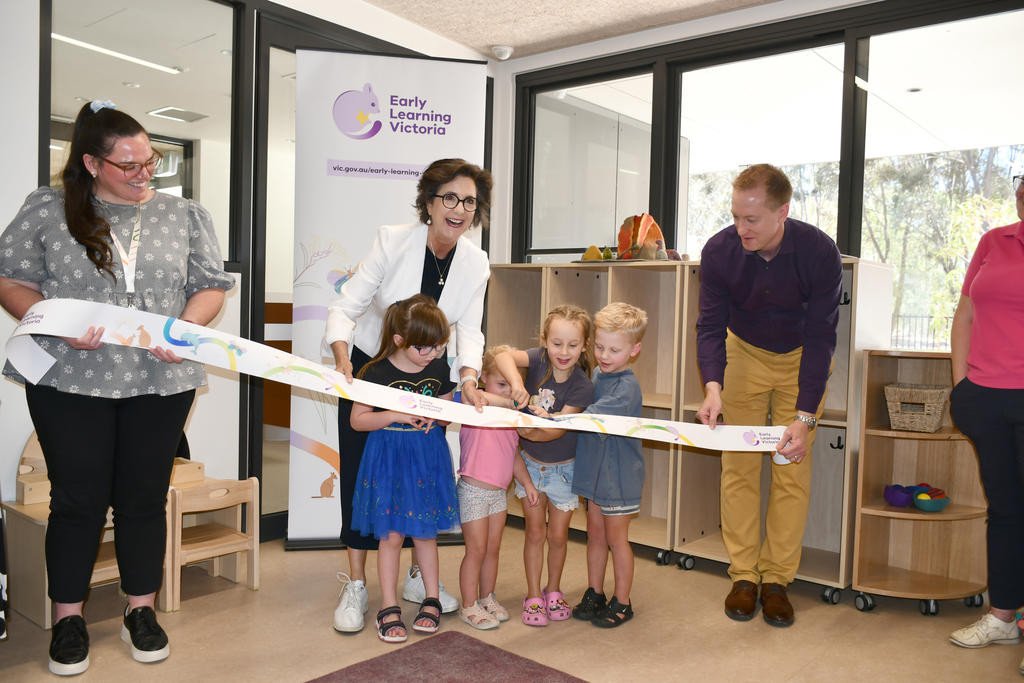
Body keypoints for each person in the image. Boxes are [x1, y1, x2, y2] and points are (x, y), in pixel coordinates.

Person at [0, 101, 234, 675]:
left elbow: (210, 287)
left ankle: (140, 611)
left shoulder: (184, 214)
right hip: (68, 380)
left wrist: (185, 329)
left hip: (160, 379)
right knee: (76, 502)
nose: (143, 173)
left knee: (143, 501)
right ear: (91, 163)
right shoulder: (49, 208)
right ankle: (70, 618)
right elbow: (11, 280)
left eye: (149, 160)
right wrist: (56, 322)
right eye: (127, 164)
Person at [325, 158, 492, 633]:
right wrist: (343, 362)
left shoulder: (476, 262)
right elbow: (347, 306)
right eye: (450, 198)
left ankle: (419, 578)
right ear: (429, 201)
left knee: (419, 474)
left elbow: (471, 333)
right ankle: (358, 584)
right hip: (373, 367)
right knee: (365, 479)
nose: (459, 209)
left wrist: (467, 380)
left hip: (431, 373)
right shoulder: (392, 240)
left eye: (469, 202)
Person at [696, 163, 841, 628]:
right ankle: (743, 576)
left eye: (752, 219)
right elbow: (710, 326)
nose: (741, 228)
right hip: (745, 354)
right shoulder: (720, 252)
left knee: (790, 469)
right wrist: (713, 387)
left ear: (783, 212)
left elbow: (822, 336)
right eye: (736, 215)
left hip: (803, 357)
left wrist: (805, 417)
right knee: (738, 467)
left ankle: (777, 580)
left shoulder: (819, 251)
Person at [348, 295, 460, 643]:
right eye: (424, 349)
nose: (432, 356)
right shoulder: (375, 372)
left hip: (427, 458)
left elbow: (445, 404)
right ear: (399, 340)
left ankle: (431, 597)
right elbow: (358, 420)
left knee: (426, 533)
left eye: (438, 348)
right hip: (388, 459)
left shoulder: (438, 367)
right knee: (392, 535)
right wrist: (396, 414)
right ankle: (389, 604)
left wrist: (436, 414)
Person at [947, 173, 1024, 676]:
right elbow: (966, 311)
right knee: (1005, 510)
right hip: (986, 396)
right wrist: (961, 386)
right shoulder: (994, 241)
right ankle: (1002, 616)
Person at [495, 305, 595, 627]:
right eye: (556, 343)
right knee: (535, 534)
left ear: (584, 346)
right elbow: (502, 357)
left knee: (558, 537)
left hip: (565, 472)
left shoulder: (582, 386)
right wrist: (517, 385)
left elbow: (557, 430)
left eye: (572, 345)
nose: (563, 352)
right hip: (530, 469)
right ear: (544, 341)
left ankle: (553, 590)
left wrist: (526, 430)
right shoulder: (537, 359)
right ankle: (533, 594)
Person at [569, 302, 648, 628]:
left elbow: (593, 417)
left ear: (634, 350)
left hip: (618, 477)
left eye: (614, 350)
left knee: (617, 539)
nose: (604, 355)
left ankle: (623, 601)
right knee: (596, 536)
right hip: (595, 472)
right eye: (599, 346)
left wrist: (561, 416)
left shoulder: (627, 387)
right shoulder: (599, 374)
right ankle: (595, 592)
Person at [456, 345, 539, 630]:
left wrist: (526, 482)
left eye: (512, 386)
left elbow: (513, 454)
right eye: (501, 384)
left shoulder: (510, 419)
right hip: (473, 492)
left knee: (493, 549)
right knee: (476, 550)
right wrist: (510, 403)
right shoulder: (474, 406)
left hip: (497, 495)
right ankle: (468, 606)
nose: (507, 392)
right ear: (483, 380)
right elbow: (476, 398)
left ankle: (486, 597)